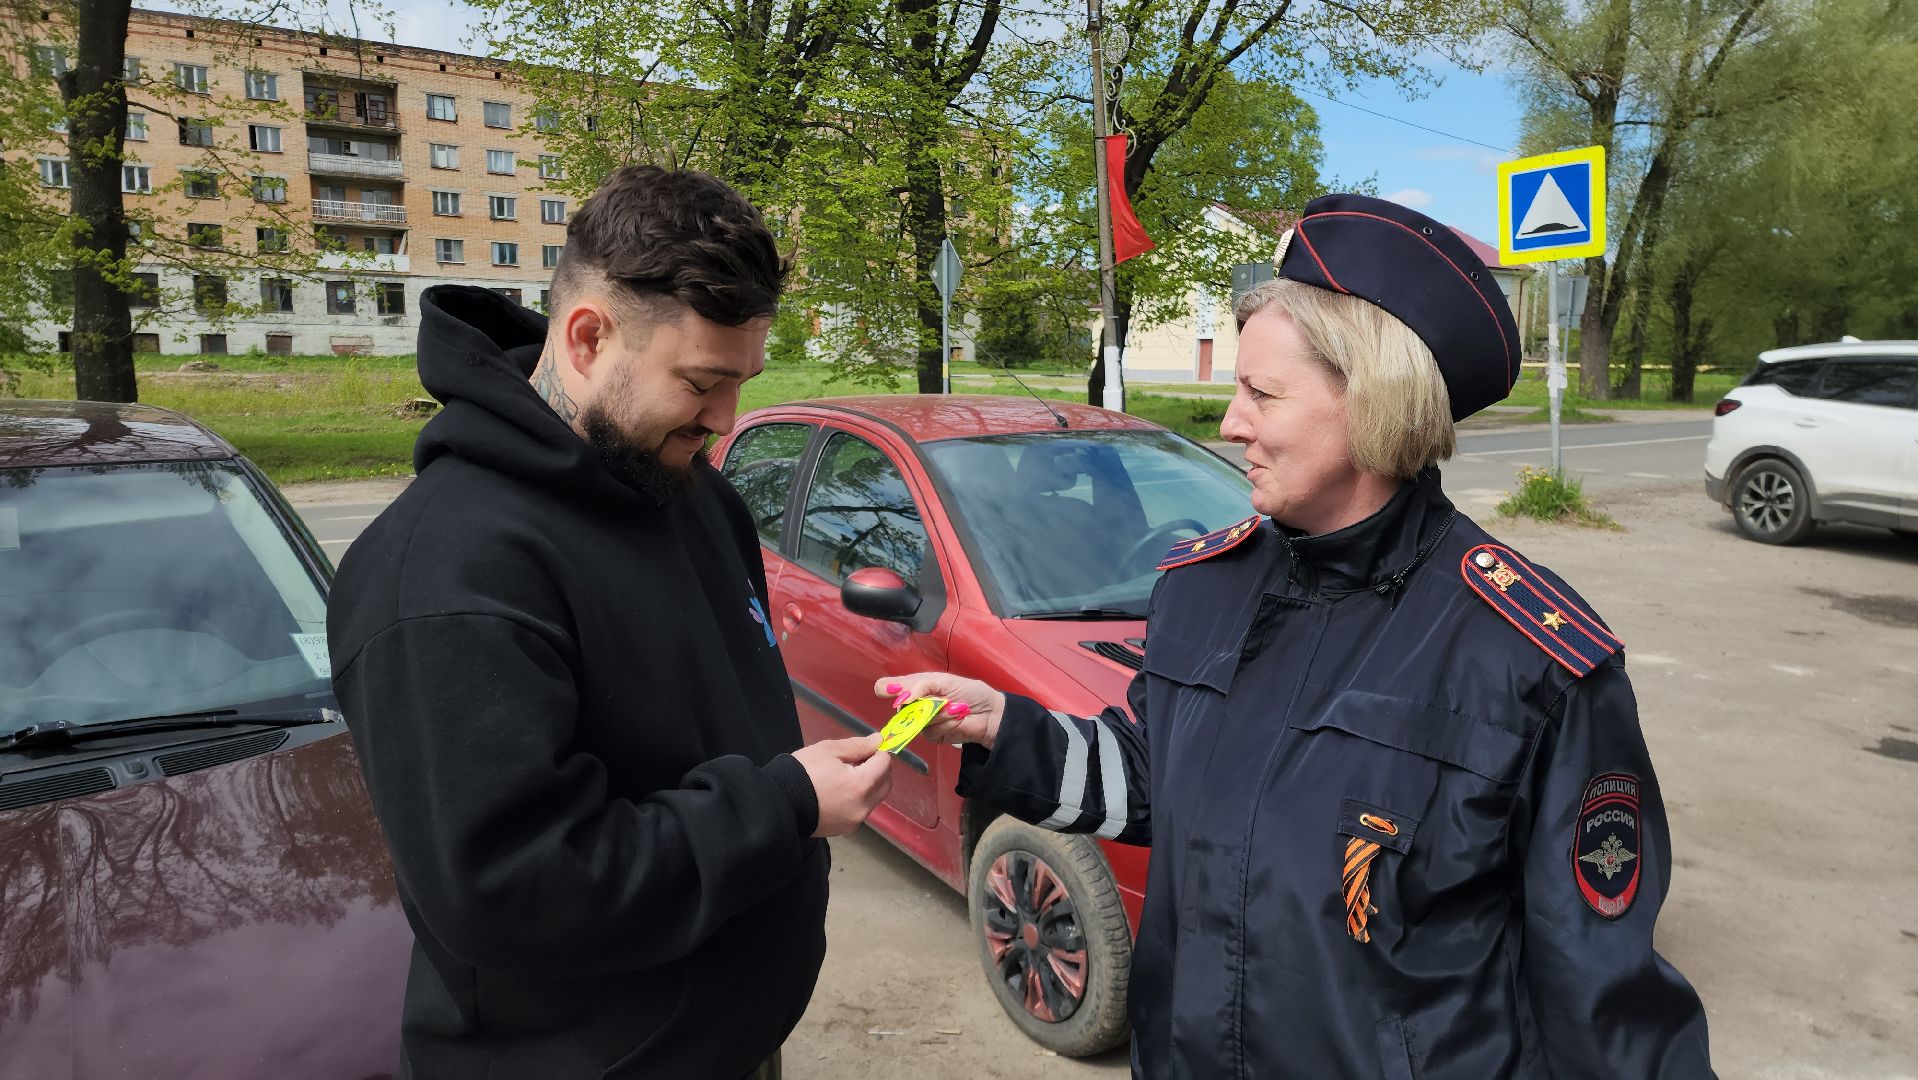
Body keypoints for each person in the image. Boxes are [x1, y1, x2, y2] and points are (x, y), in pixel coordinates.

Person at [878, 193, 1715, 1078]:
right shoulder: (1200, 589)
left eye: (1260, 393)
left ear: (1375, 404)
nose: (1229, 423)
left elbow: (1605, 1008)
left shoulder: (1528, 662)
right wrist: (1004, 727)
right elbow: (1158, 776)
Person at [328, 165, 894, 1080]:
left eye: (744, 380)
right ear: (588, 338)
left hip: (728, 1040)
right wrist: (782, 808)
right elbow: (512, 890)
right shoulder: (440, 576)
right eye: (704, 382)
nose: (726, 419)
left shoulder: (692, 494)